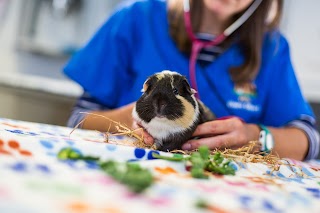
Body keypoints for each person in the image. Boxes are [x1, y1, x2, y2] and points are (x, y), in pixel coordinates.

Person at [63, 0, 320, 161]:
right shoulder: (134, 19)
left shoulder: (272, 48)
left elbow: (309, 141)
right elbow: (79, 119)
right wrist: (130, 118)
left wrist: (255, 137)